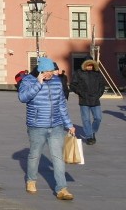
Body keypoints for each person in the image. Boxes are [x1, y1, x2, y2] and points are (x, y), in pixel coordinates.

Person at [18, 56, 76, 200]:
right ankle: (31, 181)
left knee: (57, 158)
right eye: (48, 71)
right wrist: (38, 84)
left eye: (52, 70)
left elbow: (62, 104)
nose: (51, 73)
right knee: (34, 155)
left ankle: (62, 189)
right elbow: (23, 97)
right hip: (36, 125)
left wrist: (69, 124)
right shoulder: (28, 80)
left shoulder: (57, 82)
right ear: (41, 70)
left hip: (56, 125)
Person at [68, 59, 104, 144]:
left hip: (95, 99)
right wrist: (81, 93)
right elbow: (73, 85)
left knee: (98, 118)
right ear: (84, 65)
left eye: (91, 65)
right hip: (84, 100)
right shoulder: (79, 73)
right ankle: (89, 137)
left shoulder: (97, 74)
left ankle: (92, 131)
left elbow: (102, 85)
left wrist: (99, 94)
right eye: (88, 65)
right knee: (86, 119)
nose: (90, 67)